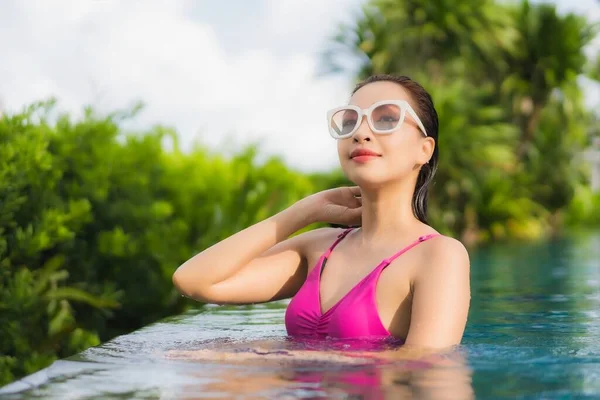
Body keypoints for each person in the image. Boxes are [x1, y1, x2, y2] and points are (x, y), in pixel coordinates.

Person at [172, 74, 471, 350]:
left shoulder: (440, 255)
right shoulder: (319, 248)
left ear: (425, 149)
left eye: (386, 119)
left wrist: (273, 356)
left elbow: (428, 368)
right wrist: (305, 210)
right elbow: (193, 280)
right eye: (350, 122)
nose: (361, 132)